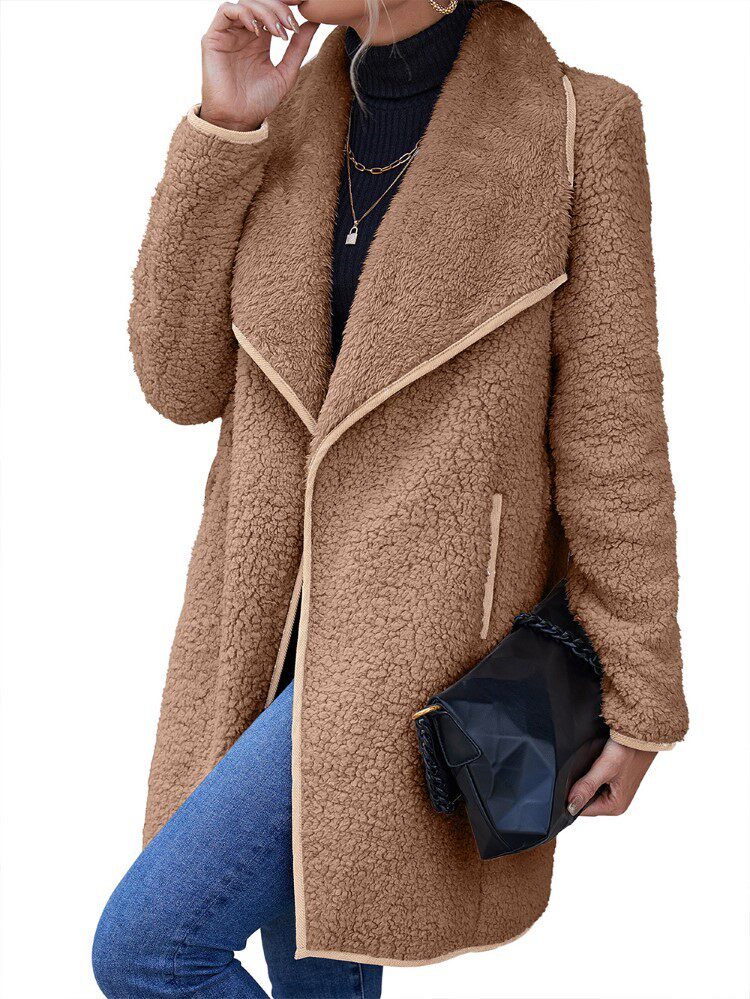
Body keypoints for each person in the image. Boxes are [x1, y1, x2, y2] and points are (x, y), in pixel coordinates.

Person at [92, 1, 689, 996]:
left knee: (151, 950)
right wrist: (225, 128)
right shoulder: (282, 116)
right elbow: (176, 380)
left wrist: (641, 700)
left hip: (418, 648)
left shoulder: (579, 126)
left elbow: (612, 436)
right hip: (263, 627)